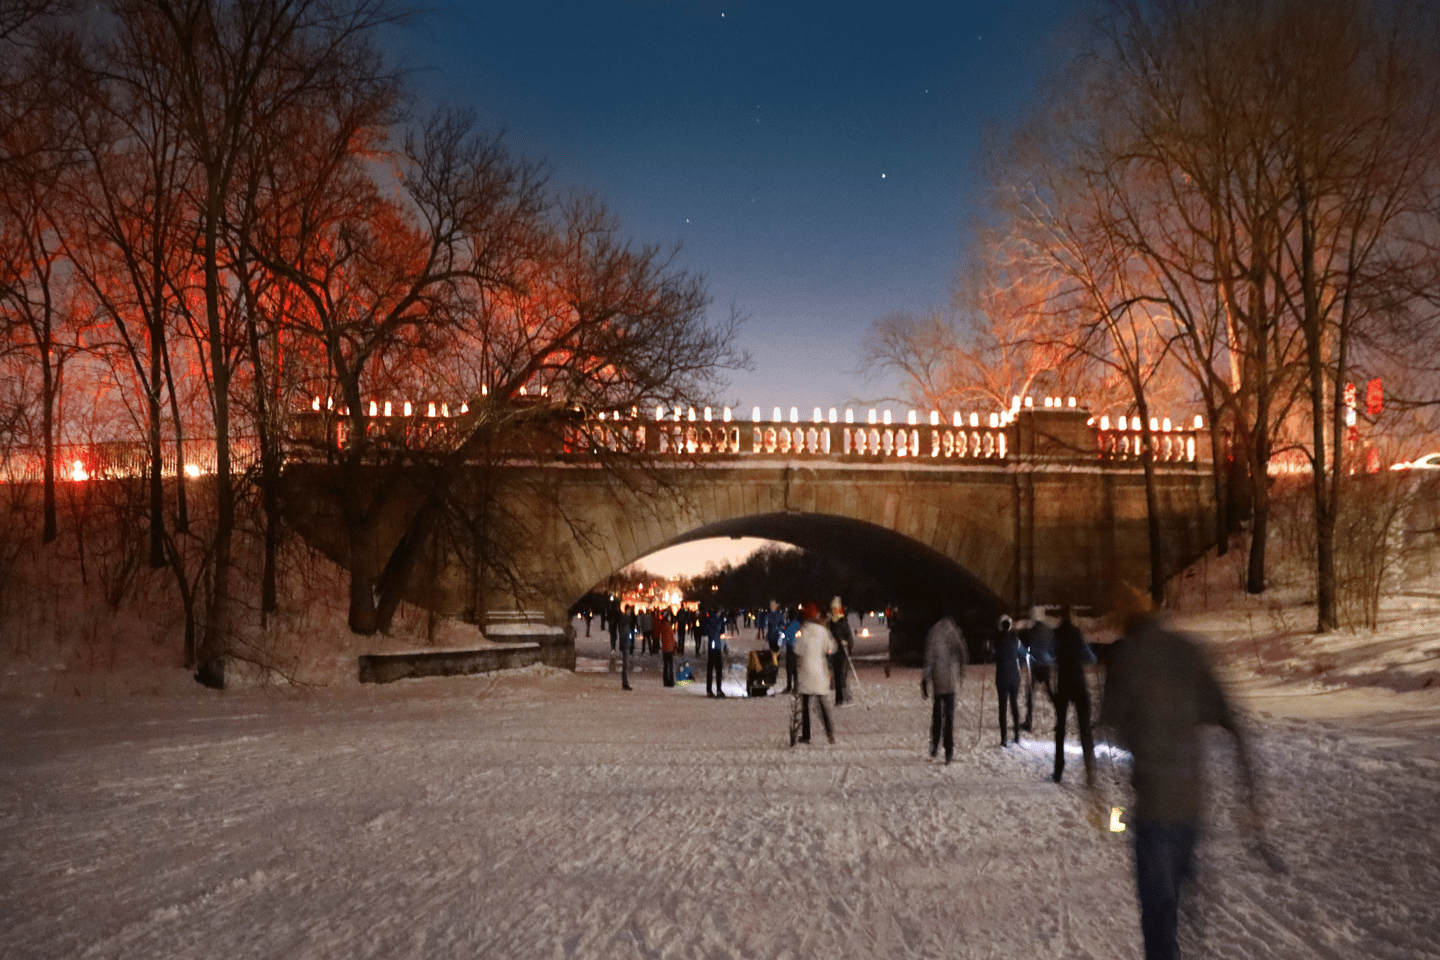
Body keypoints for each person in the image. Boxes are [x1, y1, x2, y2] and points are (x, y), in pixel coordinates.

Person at [1095, 586, 1264, 960]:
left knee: (1158, 917)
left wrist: (1111, 814)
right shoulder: (1189, 651)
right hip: (1191, 807)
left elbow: (1107, 741)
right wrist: (1250, 801)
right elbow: (1232, 723)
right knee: (1181, 901)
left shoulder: (1125, 659)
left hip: (1151, 810)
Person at [1051, 605, 1096, 784]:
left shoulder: (1056, 634)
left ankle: (1058, 770)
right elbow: (1090, 657)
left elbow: (1051, 654)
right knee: (1084, 727)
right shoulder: (1077, 634)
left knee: (1060, 727)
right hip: (1078, 682)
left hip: (1063, 683)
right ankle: (1090, 771)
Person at [921, 614, 967, 763]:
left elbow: (929, 658)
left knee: (937, 715)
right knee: (949, 718)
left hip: (938, 681)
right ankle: (949, 751)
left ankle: (934, 745)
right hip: (951, 681)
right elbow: (963, 654)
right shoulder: (954, 632)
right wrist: (961, 672)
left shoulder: (933, 633)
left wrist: (925, 680)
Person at [794, 601, 835, 743]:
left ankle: (806, 735)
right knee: (823, 704)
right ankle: (830, 733)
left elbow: (798, 649)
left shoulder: (804, 631)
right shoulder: (823, 630)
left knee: (805, 706)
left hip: (807, 670)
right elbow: (831, 647)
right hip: (819, 670)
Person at [1020, 606, 1056, 732]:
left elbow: (1023, 644)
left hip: (1034, 665)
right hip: (1047, 665)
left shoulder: (1030, 632)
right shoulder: (1049, 631)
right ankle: (1059, 719)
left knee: (1030, 693)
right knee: (1050, 693)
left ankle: (1029, 721)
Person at [993, 614, 1023, 746]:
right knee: (1014, 704)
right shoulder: (1016, 639)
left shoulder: (997, 640)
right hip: (1014, 676)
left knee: (1003, 707)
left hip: (1002, 676)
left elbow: (994, 655)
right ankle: (1017, 734)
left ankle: (1004, 737)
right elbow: (1020, 653)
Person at [827, 596, 855, 705]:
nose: (834, 610)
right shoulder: (830, 623)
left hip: (841, 652)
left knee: (840, 674)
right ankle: (841, 696)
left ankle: (840, 698)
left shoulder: (843, 621)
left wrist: (847, 643)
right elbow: (827, 635)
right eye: (833, 608)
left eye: (836, 608)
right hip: (832, 651)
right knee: (834, 674)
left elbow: (849, 636)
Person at [703, 607, 727, 698]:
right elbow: (713, 630)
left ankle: (718, 689)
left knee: (718, 669)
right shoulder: (712, 619)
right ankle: (710, 690)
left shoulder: (717, 619)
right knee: (712, 669)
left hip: (717, 646)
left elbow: (721, 631)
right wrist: (720, 621)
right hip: (713, 646)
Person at [780, 609, 801, 693]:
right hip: (796, 648)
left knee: (789, 668)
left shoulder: (789, 624)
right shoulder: (798, 624)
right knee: (795, 668)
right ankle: (796, 686)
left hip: (790, 648)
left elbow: (785, 635)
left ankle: (789, 686)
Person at [657, 610, 677, 687]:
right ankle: (671, 681)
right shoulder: (668, 625)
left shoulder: (663, 625)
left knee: (666, 665)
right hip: (669, 647)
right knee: (670, 666)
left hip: (665, 647)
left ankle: (666, 681)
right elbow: (671, 636)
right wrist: (674, 645)